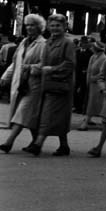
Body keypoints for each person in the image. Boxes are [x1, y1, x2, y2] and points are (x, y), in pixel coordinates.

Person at [25, 14, 76, 157]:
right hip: (47, 83)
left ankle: (38, 144)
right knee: (58, 116)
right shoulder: (48, 42)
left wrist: (52, 69)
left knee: (48, 114)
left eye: (58, 25)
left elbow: (70, 64)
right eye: (52, 25)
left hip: (60, 84)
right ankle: (64, 146)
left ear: (64, 27)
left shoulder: (68, 43)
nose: (55, 28)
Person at [0, 15, 47, 153]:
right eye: (27, 25)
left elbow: (44, 65)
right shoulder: (23, 42)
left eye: (32, 25)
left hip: (34, 85)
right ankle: (36, 143)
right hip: (20, 83)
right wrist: (6, 76)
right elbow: (16, 62)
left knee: (22, 111)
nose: (29, 28)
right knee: (29, 115)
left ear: (39, 27)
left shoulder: (43, 44)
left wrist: (29, 68)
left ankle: (9, 142)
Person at [78, 41, 106, 130]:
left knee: (95, 103)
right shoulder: (93, 57)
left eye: (92, 47)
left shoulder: (103, 59)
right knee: (91, 103)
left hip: (97, 85)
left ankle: (86, 123)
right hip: (91, 85)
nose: (91, 48)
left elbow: (103, 73)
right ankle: (90, 119)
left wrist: (93, 78)